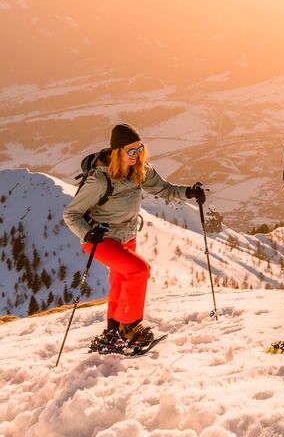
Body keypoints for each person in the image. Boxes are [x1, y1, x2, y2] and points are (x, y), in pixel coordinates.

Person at [63, 123, 206, 350]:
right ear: (116, 151)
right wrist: (88, 233)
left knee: (121, 280)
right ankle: (129, 326)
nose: (136, 154)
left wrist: (188, 191)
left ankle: (112, 331)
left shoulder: (140, 170)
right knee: (139, 270)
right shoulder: (100, 180)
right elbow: (71, 214)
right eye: (131, 150)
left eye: (139, 149)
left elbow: (164, 189)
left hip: (127, 234)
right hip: (101, 239)